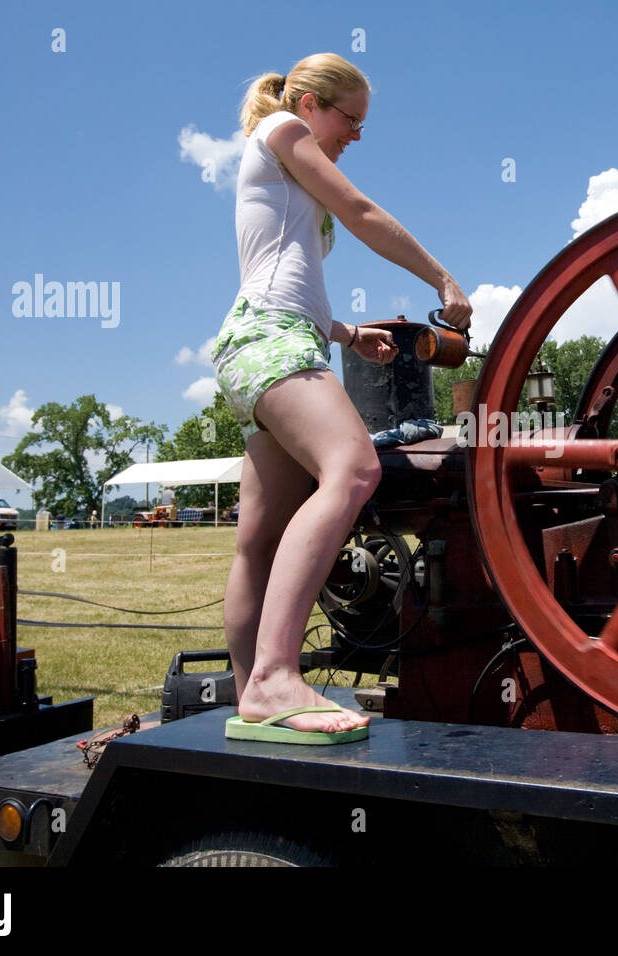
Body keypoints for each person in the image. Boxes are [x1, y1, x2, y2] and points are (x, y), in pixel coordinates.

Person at [213, 53, 471, 744]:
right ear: (306, 100)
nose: (356, 134)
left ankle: (252, 696)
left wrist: (347, 333)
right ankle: (274, 678)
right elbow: (359, 210)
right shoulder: (283, 133)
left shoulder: (280, 161)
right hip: (272, 341)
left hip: (264, 335)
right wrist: (441, 278)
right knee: (354, 470)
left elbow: (277, 273)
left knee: (259, 540)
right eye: (348, 118)